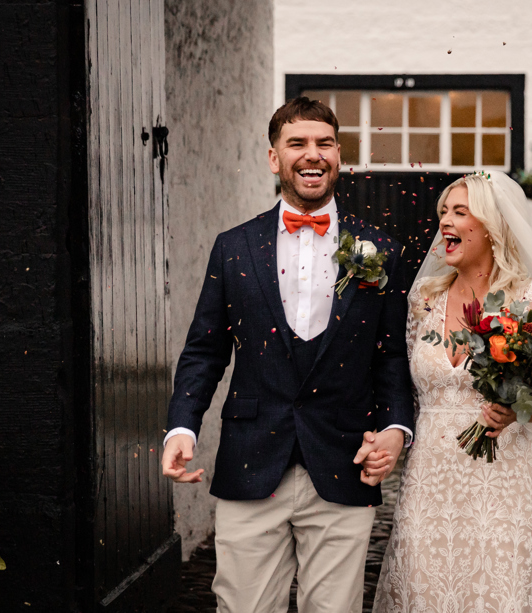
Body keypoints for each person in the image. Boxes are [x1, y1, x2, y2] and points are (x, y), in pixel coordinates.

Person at [160, 97, 415, 613]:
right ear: (274, 157)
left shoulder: (380, 249)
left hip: (344, 462)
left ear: (339, 155)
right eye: (297, 143)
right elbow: (205, 350)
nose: (311, 154)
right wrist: (182, 427)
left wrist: (394, 430)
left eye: (323, 143)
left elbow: (391, 359)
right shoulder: (233, 247)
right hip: (251, 463)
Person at [372, 171, 532, 612]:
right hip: (430, 481)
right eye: (443, 214)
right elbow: (401, 385)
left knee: (500, 594)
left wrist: (519, 409)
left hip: (504, 480)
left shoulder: (530, 298)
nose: (445, 223)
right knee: (427, 593)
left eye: (459, 212)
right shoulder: (424, 301)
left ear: (492, 225)